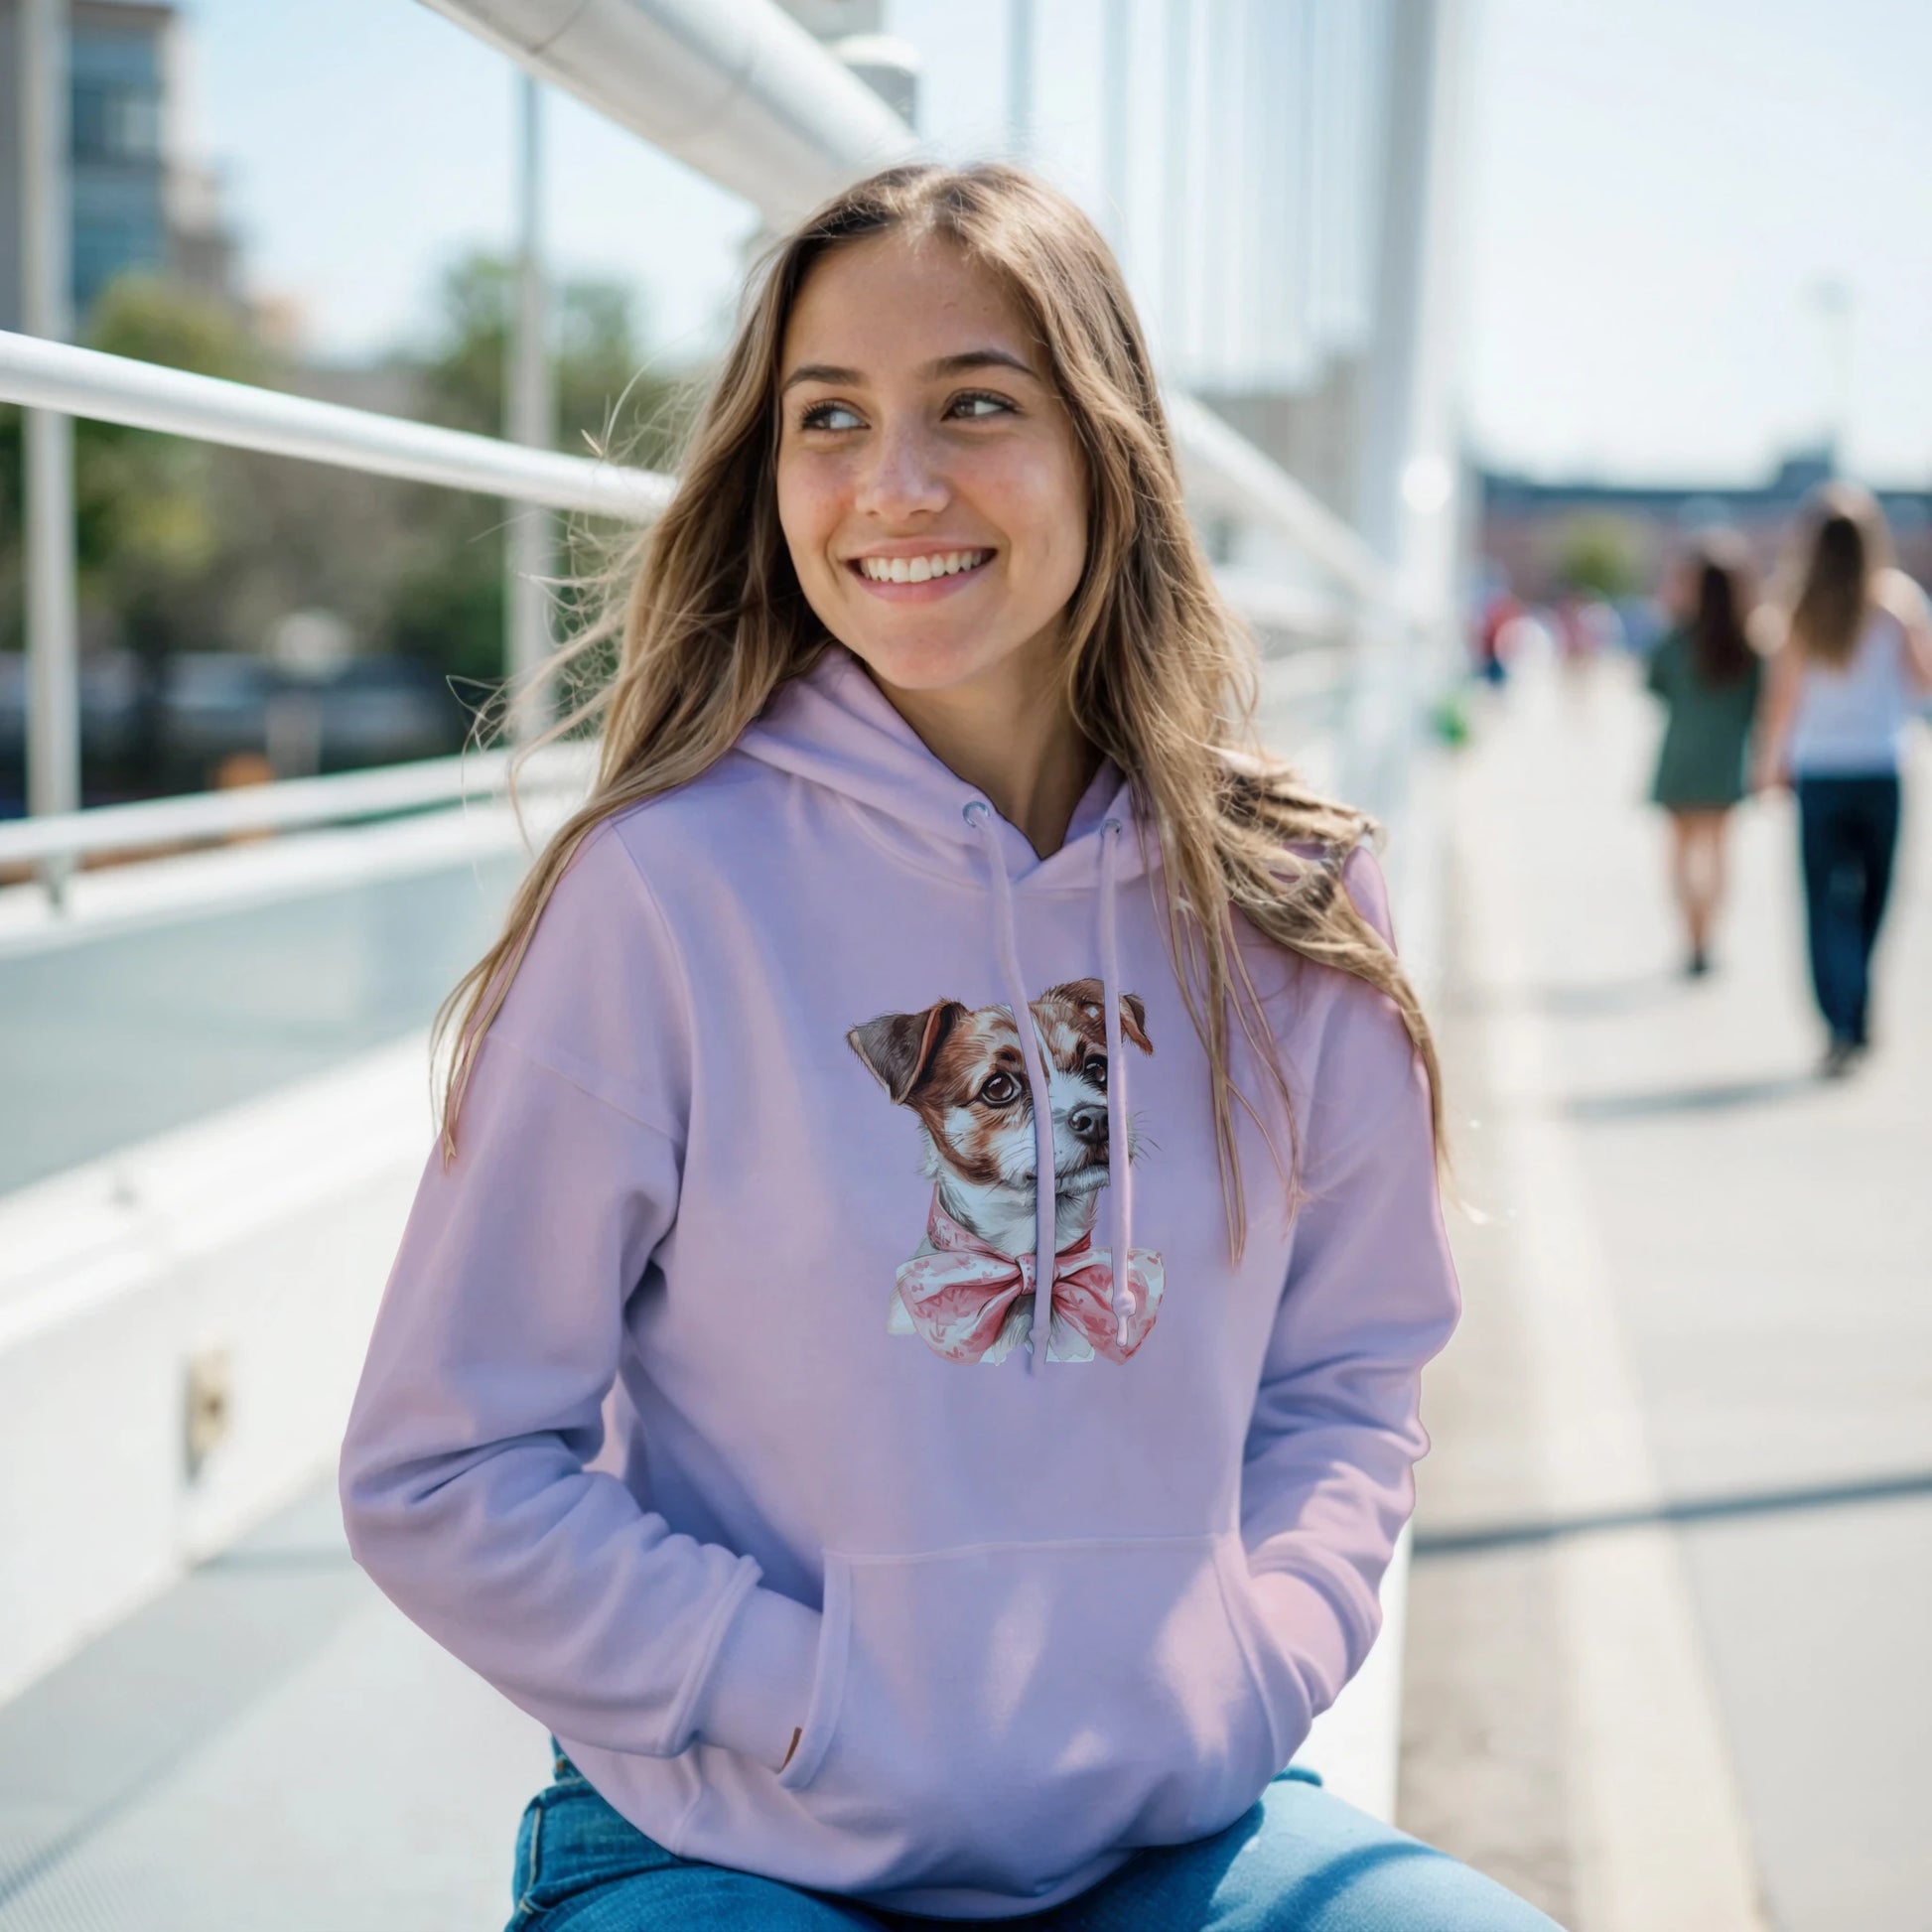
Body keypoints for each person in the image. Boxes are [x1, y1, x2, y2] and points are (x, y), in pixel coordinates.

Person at [338, 163, 1560, 1930]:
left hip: (1173, 1812)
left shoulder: (1295, 898)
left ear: (1107, 446)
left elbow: (1350, 1379)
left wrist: (1253, 1659)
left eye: (975, 405)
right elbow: (440, 1466)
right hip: (733, 1833)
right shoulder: (666, 892)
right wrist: (806, 1698)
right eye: (829, 419)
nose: (894, 486)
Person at [1752, 483, 1932, 1077]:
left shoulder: (1796, 606)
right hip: (1880, 766)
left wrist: (1768, 763)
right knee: (1875, 898)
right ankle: (1855, 1004)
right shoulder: (1897, 603)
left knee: (1823, 902)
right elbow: (1923, 681)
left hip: (1821, 770)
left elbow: (1782, 700)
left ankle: (1839, 1014)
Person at [1642, 534, 1764, 977]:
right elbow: (1761, 707)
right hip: (1726, 763)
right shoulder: (1751, 646)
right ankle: (1707, 936)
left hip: (1681, 760)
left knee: (1680, 854)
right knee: (1717, 854)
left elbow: (1653, 685)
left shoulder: (1678, 640)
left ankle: (1690, 936)